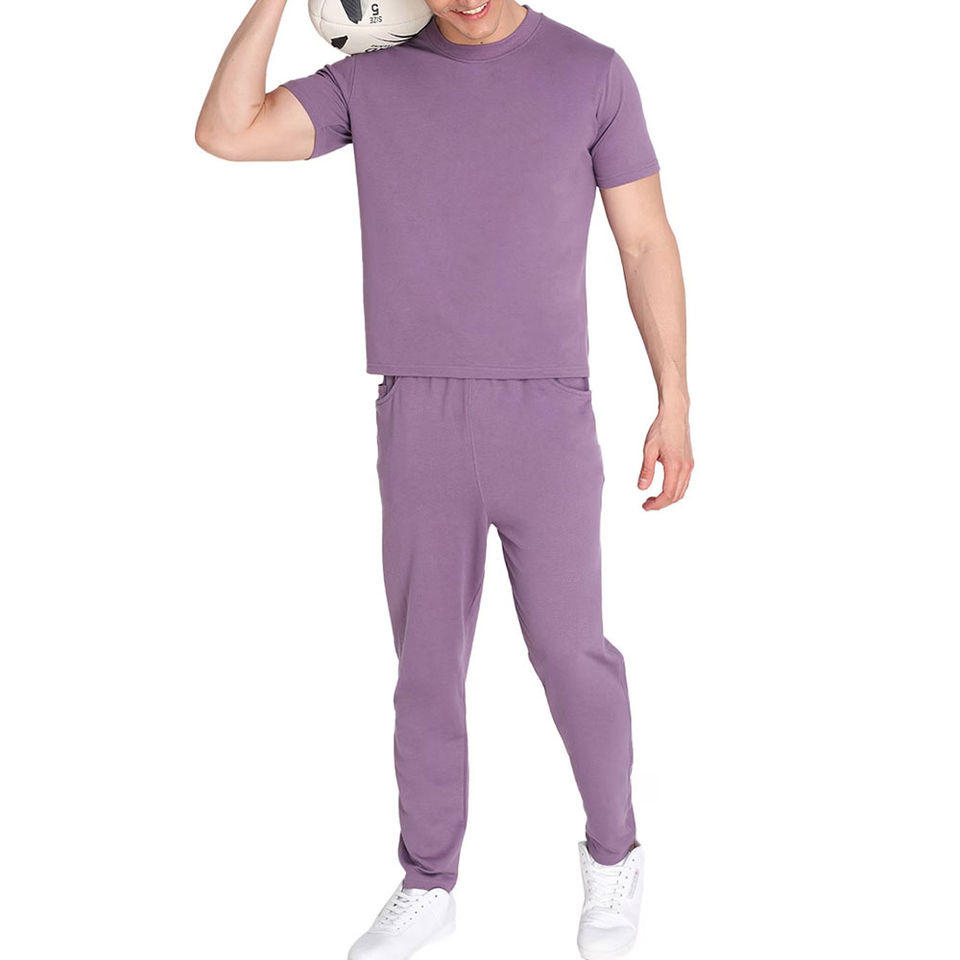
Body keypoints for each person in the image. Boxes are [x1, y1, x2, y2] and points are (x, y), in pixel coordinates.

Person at [195, 1, 692, 957]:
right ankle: (429, 879)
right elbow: (227, 130)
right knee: (425, 668)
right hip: (417, 406)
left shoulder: (592, 73)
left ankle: (615, 853)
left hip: (545, 408)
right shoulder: (369, 76)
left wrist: (673, 398)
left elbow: (645, 241)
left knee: (571, 653)